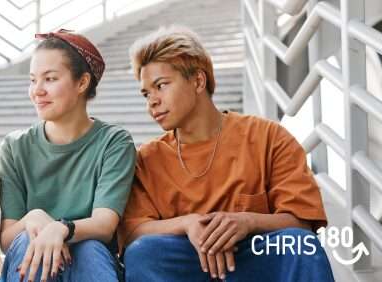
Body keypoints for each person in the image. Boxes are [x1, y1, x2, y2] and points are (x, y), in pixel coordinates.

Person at [119, 26, 334, 282]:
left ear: (198, 81)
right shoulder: (147, 158)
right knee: (143, 253)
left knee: (299, 245)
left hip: (256, 259)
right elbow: (133, 231)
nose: (151, 101)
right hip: (189, 264)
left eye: (161, 85)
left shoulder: (268, 137)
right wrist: (189, 224)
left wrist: (246, 222)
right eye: (146, 93)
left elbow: (302, 223)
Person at [0, 29, 135, 282]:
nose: (37, 90)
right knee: (30, 240)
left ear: (82, 83)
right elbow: (7, 239)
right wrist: (35, 218)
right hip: (32, 256)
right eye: (32, 80)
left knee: (90, 247)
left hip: (90, 258)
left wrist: (61, 229)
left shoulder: (114, 142)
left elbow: (104, 226)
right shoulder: (15, 147)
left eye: (49, 79)